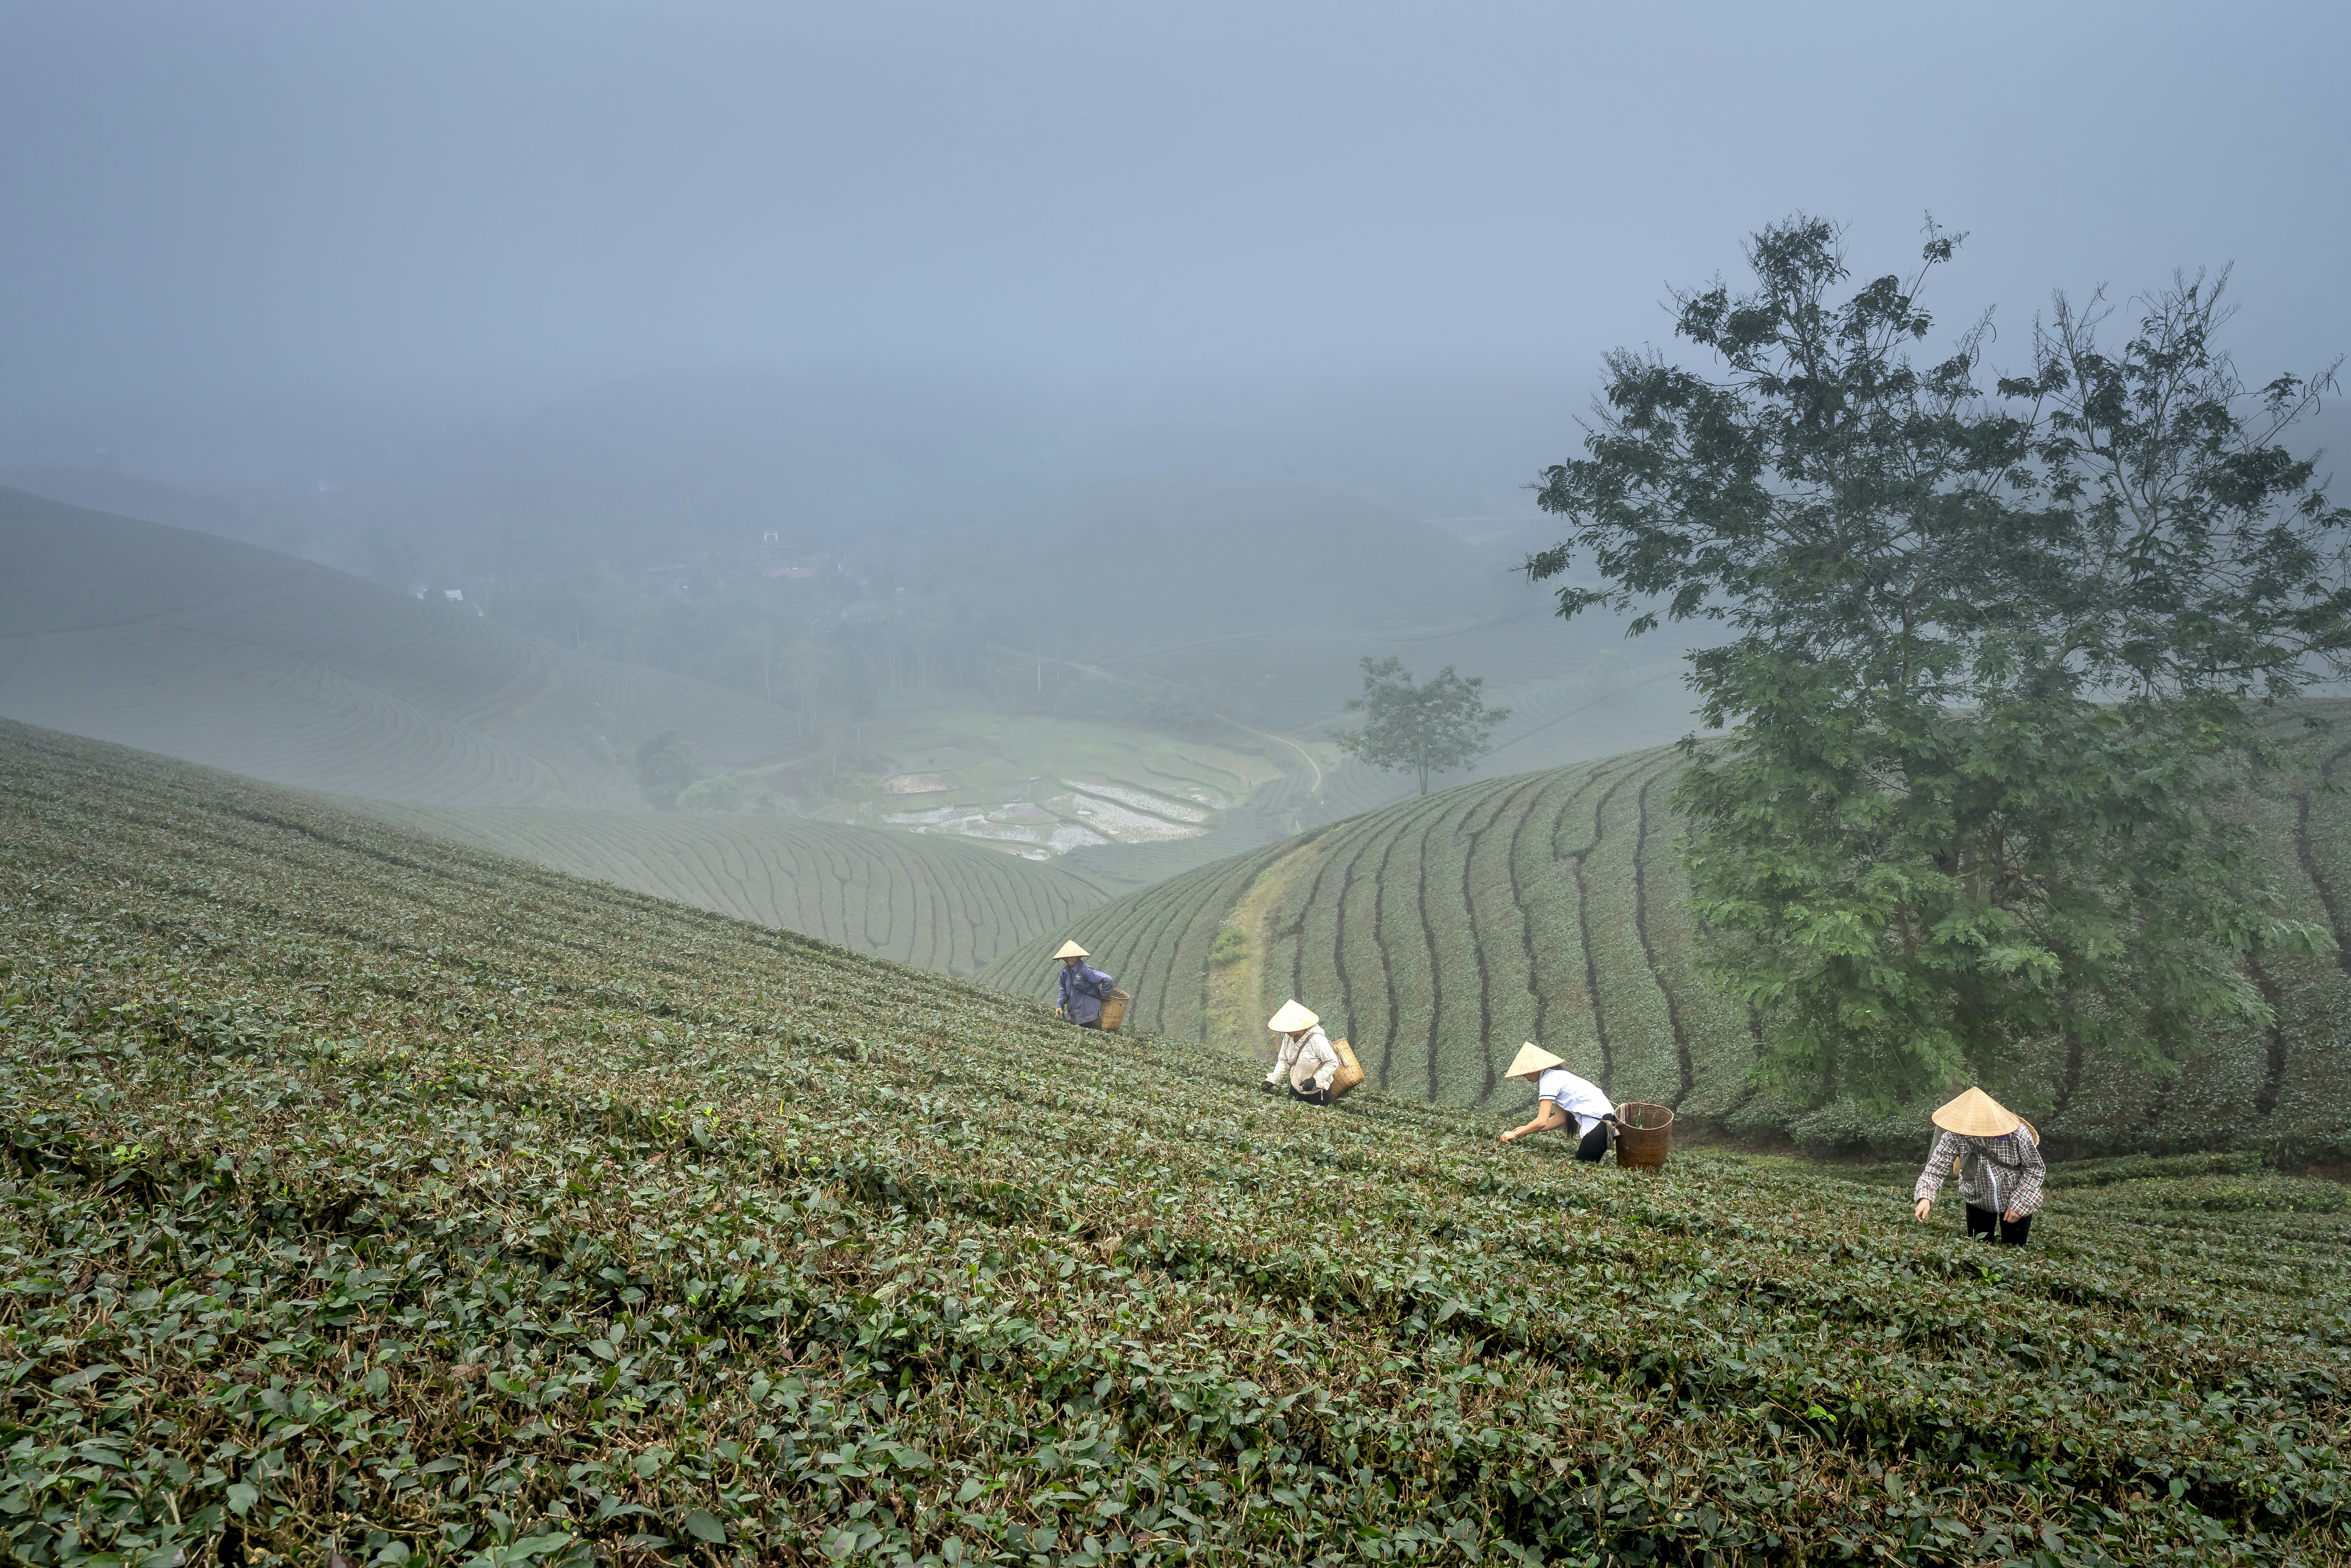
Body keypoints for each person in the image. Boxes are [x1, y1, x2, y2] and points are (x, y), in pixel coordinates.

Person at [1912, 1086, 2044, 1245]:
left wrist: (2020, 1203)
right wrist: (1925, 1197)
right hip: (1977, 1200)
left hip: (2015, 1198)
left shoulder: (2016, 1133)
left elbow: (2034, 1168)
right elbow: (1935, 1170)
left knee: (2014, 1252)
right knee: (1979, 1250)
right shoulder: (1955, 1136)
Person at [1496, 1043, 1618, 1161]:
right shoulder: (1558, 1076)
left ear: (1534, 1071)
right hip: (1606, 1123)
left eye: (1525, 1074)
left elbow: (1542, 1121)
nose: (1525, 1078)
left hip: (1601, 1125)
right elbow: (1560, 1119)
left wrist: (1516, 1135)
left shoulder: (1549, 1080)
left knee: (1583, 1168)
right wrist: (1527, 1129)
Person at [1260, 999, 1340, 1105]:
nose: (1286, 1030)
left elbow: (1332, 1062)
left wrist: (1315, 1080)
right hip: (1296, 1089)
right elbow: (1285, 1061)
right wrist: (1272, 1080)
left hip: (1318, 1094)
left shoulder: (1317, 1040)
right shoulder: (1289, 1038)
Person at [1052, 941, 1116, 1029]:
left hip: (1090, 1017)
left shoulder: (1086, 971)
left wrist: (1103, 996)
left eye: (1072, 957)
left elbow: (1108, 980)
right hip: (1074, 1016)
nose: (1069, 959)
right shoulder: (1065, 972)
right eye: (1067, 957)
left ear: (1078, 957)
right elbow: (1064, 990)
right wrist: (1059, 1005)